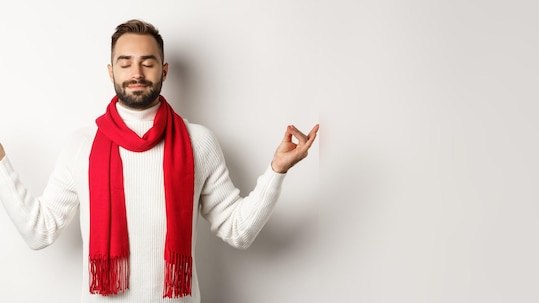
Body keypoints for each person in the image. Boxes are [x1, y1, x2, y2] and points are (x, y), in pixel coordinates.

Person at [0, 19, 318, 303]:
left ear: (164, 70)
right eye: (125, 64)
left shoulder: (198, 142)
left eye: (147, 63)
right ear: (111, 71)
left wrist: (276, 170)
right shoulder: (81, 145)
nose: (136, 73)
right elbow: (38, 230)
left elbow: (238, 231)